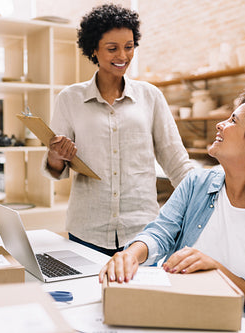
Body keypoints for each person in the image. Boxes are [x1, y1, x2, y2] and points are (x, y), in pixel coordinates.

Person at [98, 88, 245, 329]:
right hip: (178, 312)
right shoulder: (196, 183)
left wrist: (217, 270)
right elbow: (160, 232)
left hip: (239, 322)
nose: (220, 124)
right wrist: (131, 254)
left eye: (233, 120)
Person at [43, 4, 194, 256]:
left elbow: (175, 159)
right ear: (94, 49)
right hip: (86, 230)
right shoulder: (69, 99)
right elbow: (55, 169)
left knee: (140, 296)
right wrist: (56, 156)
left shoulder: (151, 96)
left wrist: (206, 199)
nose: (122, 56)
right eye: (112, 48)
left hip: (143, 232)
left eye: (129, 46)